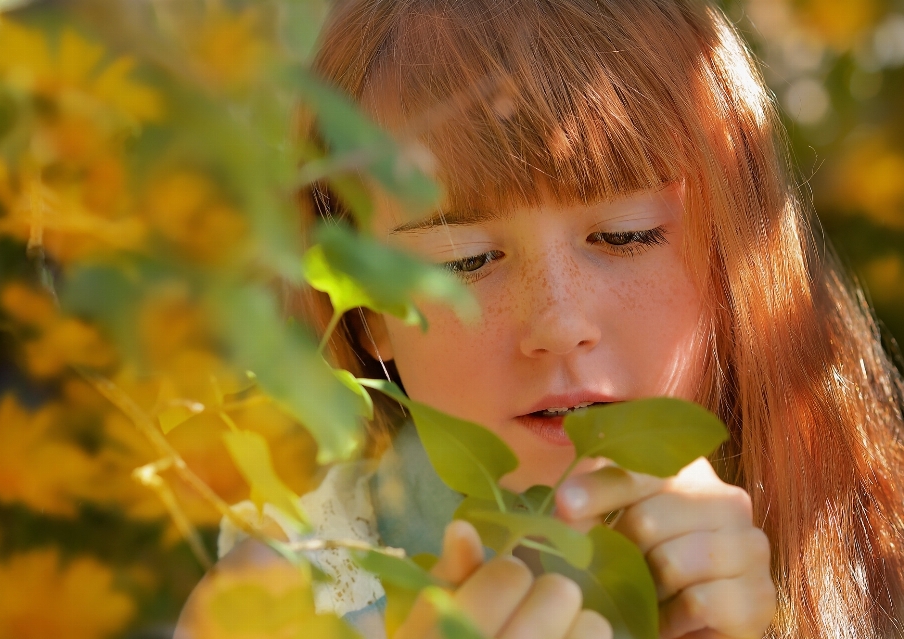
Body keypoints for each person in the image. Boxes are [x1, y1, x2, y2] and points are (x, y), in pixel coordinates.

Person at [176, 1, 904, 638]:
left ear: (739, 255)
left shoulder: (870, 548)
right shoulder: (273, 607)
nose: (558, 321)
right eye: (465, 260)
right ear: (366, 314)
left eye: (624, 234)